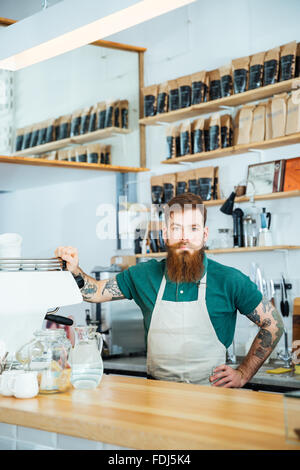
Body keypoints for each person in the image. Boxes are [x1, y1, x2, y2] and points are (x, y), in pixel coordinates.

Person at [55, 192, 284, 387]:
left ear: (204, 235)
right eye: (176, 228)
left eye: (193, 228)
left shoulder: (229, 280)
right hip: (156, 396)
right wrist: (74, 269)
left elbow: (273, 325)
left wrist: (244, 373)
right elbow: (94, 292)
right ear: (165, 234)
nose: (185, 237)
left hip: (213, 397)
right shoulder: (143, 276)